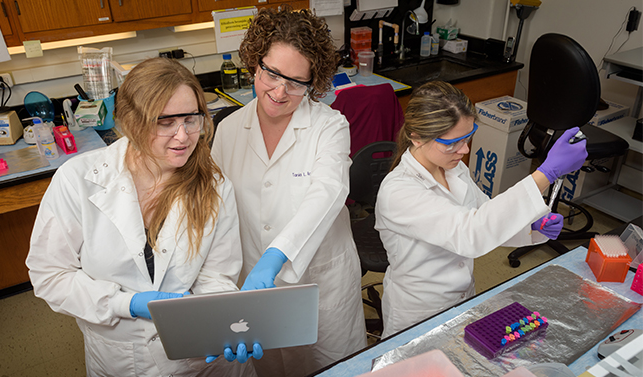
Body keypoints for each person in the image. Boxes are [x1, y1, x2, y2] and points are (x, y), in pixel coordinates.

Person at [26, 57, 261, 377]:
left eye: (192, 119)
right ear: (131, 120)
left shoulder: (214, 187)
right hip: (120, 356)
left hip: (197, 355)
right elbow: (50, 274)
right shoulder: (77, 180)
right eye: (165, 121)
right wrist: (125, 303)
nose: (183, 136)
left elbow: (217, 276)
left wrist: (224, 327)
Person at [211, 6, 367, 376]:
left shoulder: (329, 126)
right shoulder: (229, 130)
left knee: (334, 366)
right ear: (255, 62)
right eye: (272, 73)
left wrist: (276, 256)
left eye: (296, 82)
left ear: (313, 82)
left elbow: (327, 193)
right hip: (255, 287)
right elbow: (215, 210)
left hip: (320, 284)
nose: (279, 91)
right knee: (272, 368)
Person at [375, 81, 588, 339]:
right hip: (419, 310)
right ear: (417, 137)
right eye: (452, 143)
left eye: (467, 138)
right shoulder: (398, 191)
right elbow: (470, 234)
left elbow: (484, 215)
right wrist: (546, 173)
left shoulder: (453, 168)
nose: (464, 151)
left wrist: (528, 228)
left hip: (464, 296)